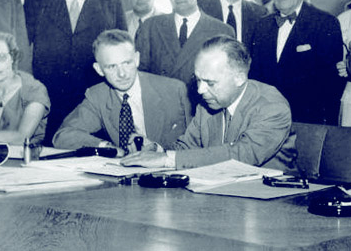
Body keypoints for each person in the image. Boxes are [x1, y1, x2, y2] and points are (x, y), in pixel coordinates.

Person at [122, 35, 297, 171]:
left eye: (210, 83)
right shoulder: (208, 104)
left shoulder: (273, 107)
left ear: (239, 78)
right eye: (198, 80)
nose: (200, 90)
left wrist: (167, 159)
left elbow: (242, 155)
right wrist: (155, 150)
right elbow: (187, 147)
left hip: (270, 201)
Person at [24, 0, 127, 145]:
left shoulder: (111, 4)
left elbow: (122, 53)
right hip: (48, 100)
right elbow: (24, 48)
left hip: (93, 102)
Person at [53, 30, 190, 154]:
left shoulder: (174, 90)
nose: (122, 74)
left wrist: (156, 149)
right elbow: (63, 135)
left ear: (136, 59)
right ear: (99, 69)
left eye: (127, 63)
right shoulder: (97, 95)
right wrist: (104, 146)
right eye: (112, 67)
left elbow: (197, 145)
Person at [249, 0, 345, 125]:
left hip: (308, 124)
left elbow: (331, 87)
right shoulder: (262, 26)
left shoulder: (325, 23)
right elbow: (255, 79)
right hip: (266, 123)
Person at [135, 0, 234, 101]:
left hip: (201, 108)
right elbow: (141, 74)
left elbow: (225, 79)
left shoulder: (221, 30)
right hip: (160, 106)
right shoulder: (151, 27)